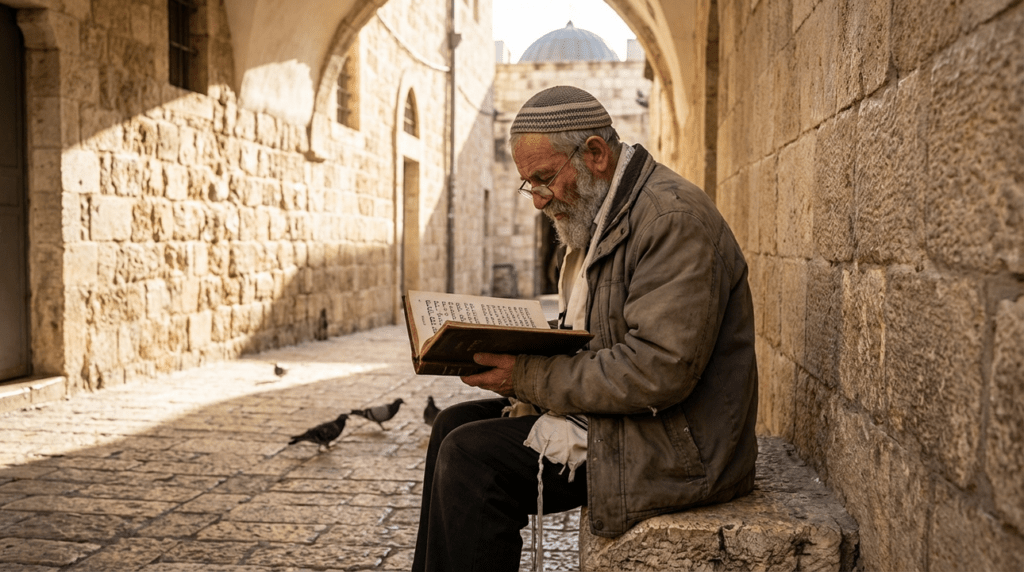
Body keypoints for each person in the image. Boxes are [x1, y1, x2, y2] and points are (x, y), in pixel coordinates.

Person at [411, 85, 758, 571]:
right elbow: (601, 328)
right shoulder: (608, 212)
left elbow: (658, 369)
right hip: (635, 423)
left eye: (544, 179)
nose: (538, 200)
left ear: (595, 153)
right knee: (453, 424)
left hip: (680, 446)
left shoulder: (671, 219)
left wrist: (527, 376)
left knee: (473, 457)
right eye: (529, 184)